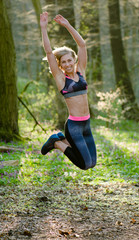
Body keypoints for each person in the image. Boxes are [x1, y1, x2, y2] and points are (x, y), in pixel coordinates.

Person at [40, 12, 96, 170]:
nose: (67, 64)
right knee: (84, 165)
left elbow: (82, 45)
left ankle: (59, 140)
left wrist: (67, 25)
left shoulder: (81, 72)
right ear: (60, 65)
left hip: (87, 123)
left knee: (92, 163)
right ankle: (57, 143)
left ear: (74, 59)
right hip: (74, 127)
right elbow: (49, 53)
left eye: (70, 60)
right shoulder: (61, 79)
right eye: (63, 62)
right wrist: (44, 27)